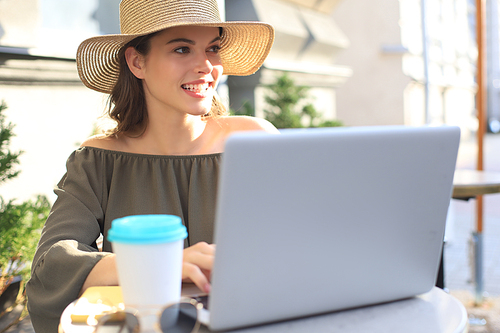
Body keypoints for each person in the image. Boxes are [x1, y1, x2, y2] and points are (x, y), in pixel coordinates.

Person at [26, 0, 277, 331]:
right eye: (182, 49)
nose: (206, 65)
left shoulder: (255, 141)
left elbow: (308, 239)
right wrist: (161, 265)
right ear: (136, 61)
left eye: (213, 48)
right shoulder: (97, 161)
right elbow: (52, 266)